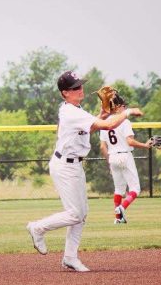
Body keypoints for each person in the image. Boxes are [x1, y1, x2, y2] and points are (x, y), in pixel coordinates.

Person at [26, 71, 143, 272]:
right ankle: (37, 227)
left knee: (82, 214)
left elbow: (90, 128)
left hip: (74, 164)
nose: (80, 89)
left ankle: (70, 257)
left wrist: (101, 116)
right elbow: (108, 125)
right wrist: (128, 112)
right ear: (65, 93)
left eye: (80, 85)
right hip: (65, 166)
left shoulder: (75, 109)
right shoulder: (71, 112)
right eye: (75, 87)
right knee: (75, 214)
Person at [99, 95, 154, 224]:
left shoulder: (104, 122)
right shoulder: (125, 121)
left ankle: (117, 219)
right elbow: (130, 141)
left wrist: (109, 161)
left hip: (112, 157)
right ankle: (121, 208)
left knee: (118, 189)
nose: (125, 108)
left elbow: (102, 146)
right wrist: (145, 145)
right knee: (135, 189)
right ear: (117, 107)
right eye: (123, 106)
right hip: (124, 155)